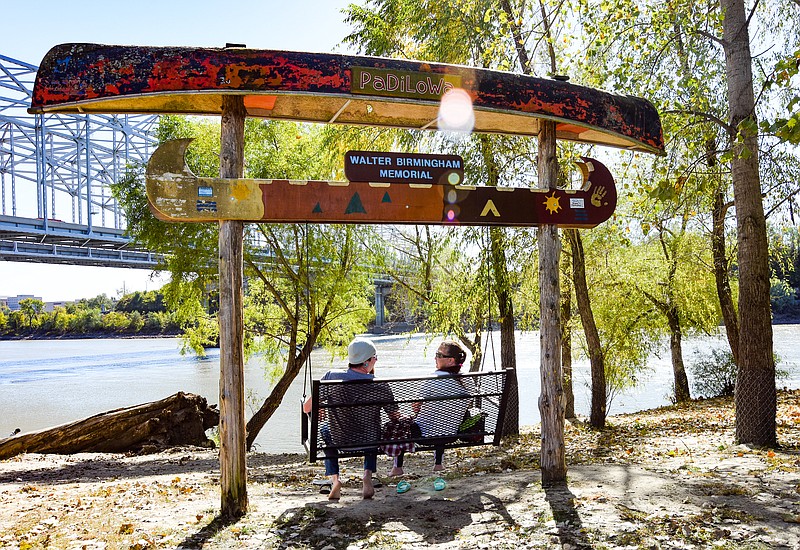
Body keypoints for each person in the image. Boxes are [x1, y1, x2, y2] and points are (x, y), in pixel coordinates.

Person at [304, 337, 399, 500]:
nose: (376, 361)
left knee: (326, 430)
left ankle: (335, 481)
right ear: (366, 362)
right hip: (369, 440)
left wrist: (319, 406)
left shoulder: (331, 376)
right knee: (374, 430)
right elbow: (395, 417)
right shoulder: (380, 384)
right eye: (375, 357)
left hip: (340, 438)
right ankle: (367, 475)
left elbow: (307, 408)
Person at [389, 339, 473, 476]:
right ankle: (438, 464)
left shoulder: (432, 379)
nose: (435, 357)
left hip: (424, 434)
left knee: (401, 424)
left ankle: (397, 467)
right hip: (451, 432)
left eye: (439, 355)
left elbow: (415, 408)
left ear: (451, 360)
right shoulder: (468, 380)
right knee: (441, 420)